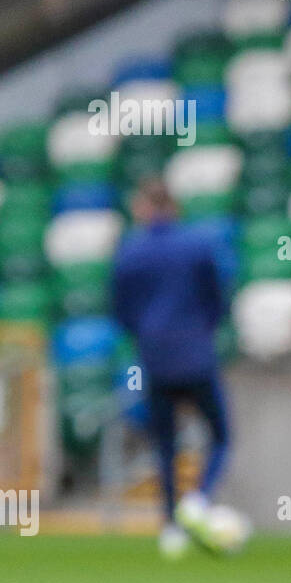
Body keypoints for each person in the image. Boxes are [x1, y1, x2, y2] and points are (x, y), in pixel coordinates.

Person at [112, 176, 232, 558]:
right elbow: (217, 297)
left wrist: (145, 335)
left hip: (155, 358)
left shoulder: (130, 251)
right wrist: (202, 330)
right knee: (222, 435)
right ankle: (198, 498)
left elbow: (120, 309)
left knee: (165, 444)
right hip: (196, 354)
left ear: (144, 207)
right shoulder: (198, 244)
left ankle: (170, 528)